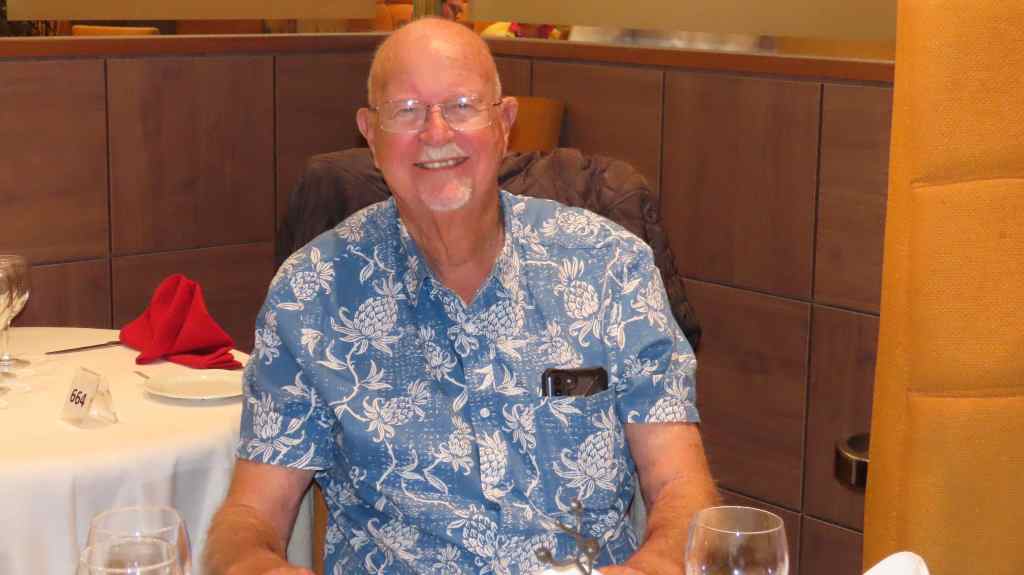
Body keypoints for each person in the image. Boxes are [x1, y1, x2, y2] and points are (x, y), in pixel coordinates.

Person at [204, 17, 717, 575]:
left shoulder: (609, 267)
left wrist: (653, 565)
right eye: (406, 110)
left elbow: (680, 484)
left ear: (505, 124)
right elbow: (251, 513)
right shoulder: (312, 293)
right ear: (370, 135)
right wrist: (252, 564)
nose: (436, 132)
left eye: (462, 105)